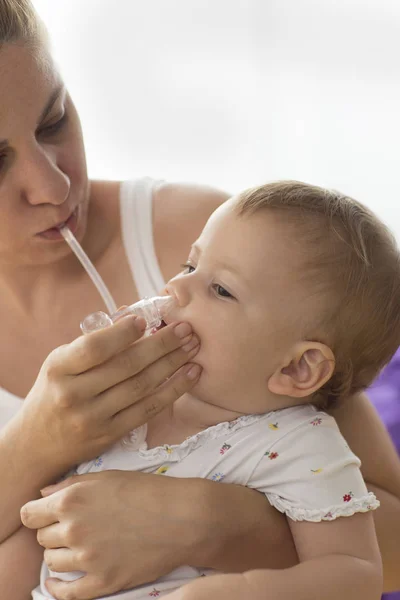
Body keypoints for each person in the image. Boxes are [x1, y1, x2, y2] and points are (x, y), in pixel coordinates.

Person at [0, 2, 398, 599]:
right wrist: (32, 446)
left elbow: (376, 547)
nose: (52, 186)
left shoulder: (230, 237)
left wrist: (208, 523)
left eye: (54, 120)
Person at [29, 180, 399, 600]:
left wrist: (244, 590)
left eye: (220, 289)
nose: (175, 287)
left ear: (297, 367)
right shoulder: (121, 403)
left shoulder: (300, 445)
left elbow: (355, 574)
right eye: (190, 266)